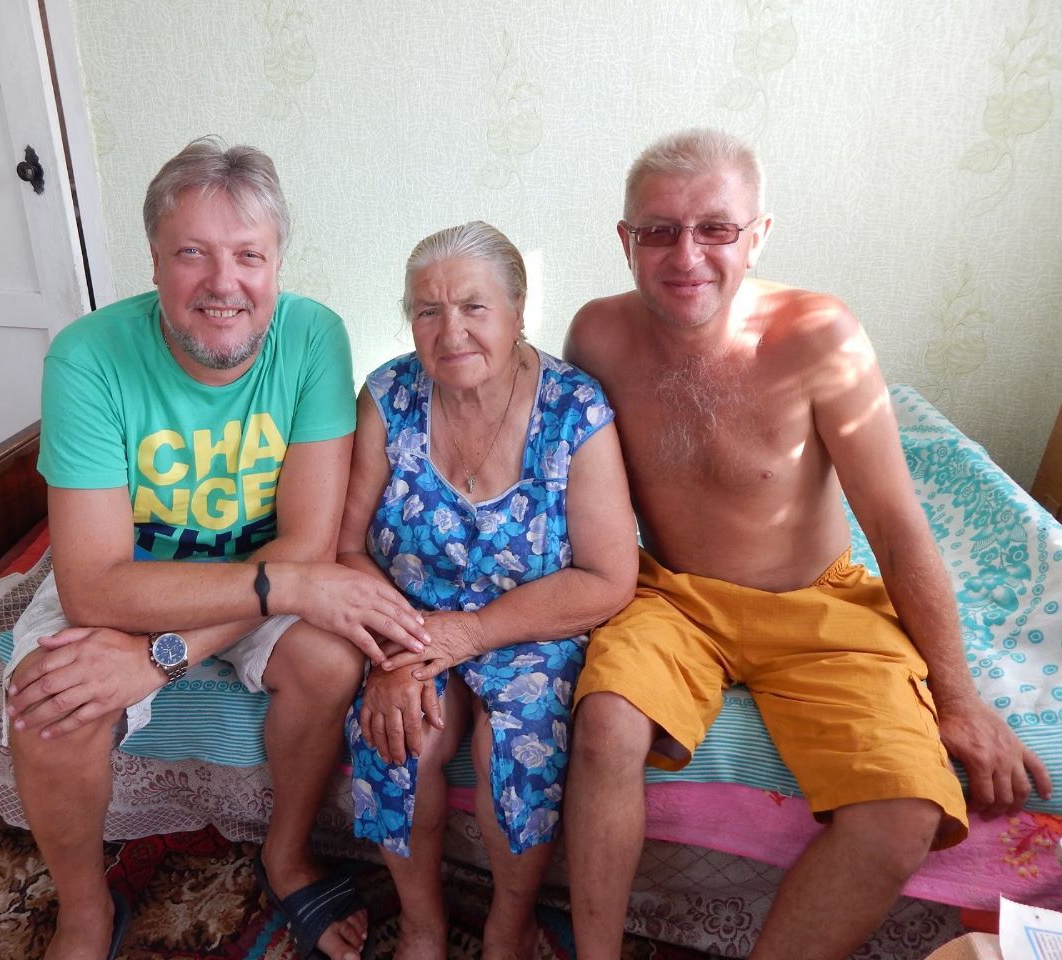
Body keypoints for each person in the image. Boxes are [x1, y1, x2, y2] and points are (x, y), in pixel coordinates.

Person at [562, 128, 1053, 960]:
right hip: (674, 597)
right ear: (626, 241)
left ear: (758, 237)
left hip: (816, 604)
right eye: (658, 230)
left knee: (905, 812)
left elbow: (897, 529)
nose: (687, 255)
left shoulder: (820, 336)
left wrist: (960, 699)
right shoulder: (597, 338)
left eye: (716, 228)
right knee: (605, 726)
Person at [0, 137, 430, 960]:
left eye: (248, 256)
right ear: (155, 262)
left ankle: (287, 853)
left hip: (260, 575)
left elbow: (305, 547)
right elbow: (93, 587)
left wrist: (160, 657)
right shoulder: (86, 357)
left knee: (332, 662)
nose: (222, 283)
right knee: (50, 710)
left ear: (277, 266)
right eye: (192, 253)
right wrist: (160, 642)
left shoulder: (312, 337)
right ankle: (85, 908)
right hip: (134, 583)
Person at [338, 222, 638, 960]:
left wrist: (471, 634)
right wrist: (401, 649)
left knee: (522, 734)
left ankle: (509, 921)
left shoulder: (574, 411)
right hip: (407, 617)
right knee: (397, 732)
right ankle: (423, 925)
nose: (451, 331)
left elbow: (608, 576)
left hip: (531, 621)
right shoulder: (388, 397)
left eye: (473, 307)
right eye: (428, 311)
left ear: (517, 311)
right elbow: (343, 547)